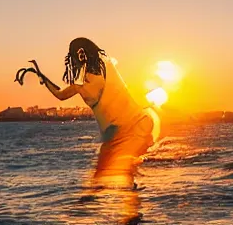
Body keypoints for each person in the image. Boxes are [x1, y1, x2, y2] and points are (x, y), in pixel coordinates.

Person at [16, 38, 159, 191]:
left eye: (73, 56)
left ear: (81, 55)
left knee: (104, 176)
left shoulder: (100, 76)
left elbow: (101, 91)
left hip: (124, 128)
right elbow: (60, 95)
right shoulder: (83, 83)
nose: (73, 61)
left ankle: (96, 201)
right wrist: (40, 74)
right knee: (108, 176)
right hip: (115, 130)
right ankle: (117, 195)